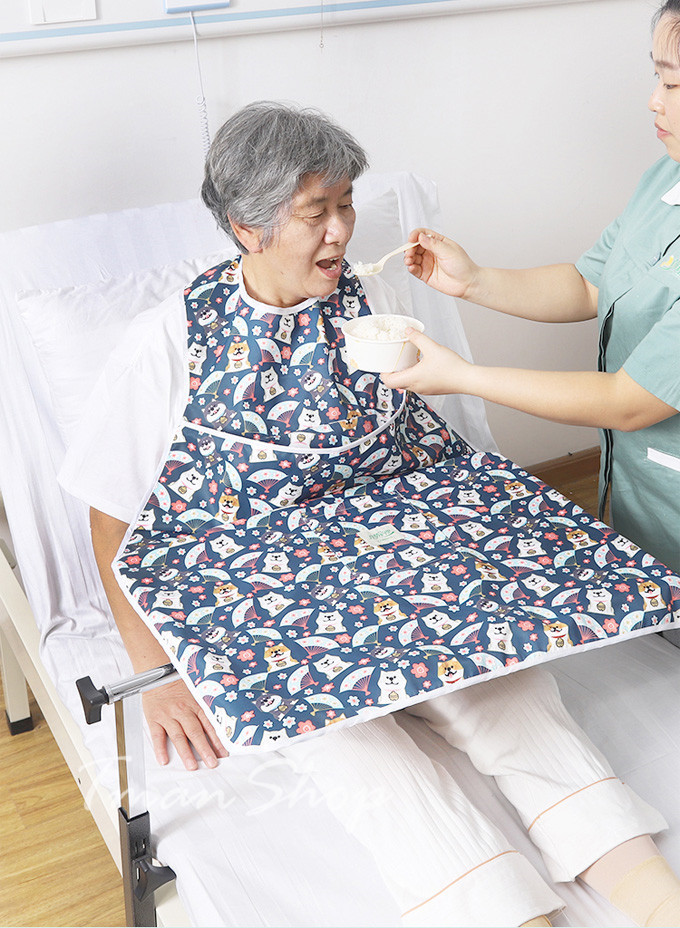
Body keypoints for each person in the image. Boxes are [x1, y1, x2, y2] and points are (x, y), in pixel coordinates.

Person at [60, 102, 680, 927]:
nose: (341, 231)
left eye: (346, 204)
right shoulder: (167, 341)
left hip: (405, 569)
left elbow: (432, 440)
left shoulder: (376, 302)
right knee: (374, 766)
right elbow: (113, 515)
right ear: (246, 227)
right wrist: (163, 672)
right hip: (270, 606)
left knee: (516, 705)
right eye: (316, 213)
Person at [382, 3, 680, 582]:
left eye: (672, 81)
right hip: (641, 495)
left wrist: (461, 375)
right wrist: (474, 281)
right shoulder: (665, 177)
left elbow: (630, 401)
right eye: (656, 76)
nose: (652, 98)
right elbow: (590, 282)